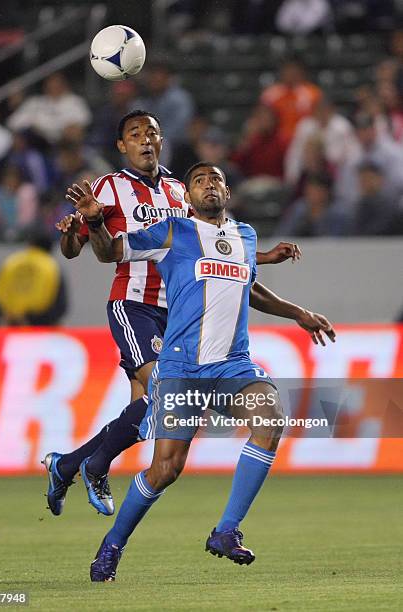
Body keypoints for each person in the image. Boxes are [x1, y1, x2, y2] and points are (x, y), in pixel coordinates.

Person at [67, 162, 335, 581]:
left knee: (270, 420)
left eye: (215, 179)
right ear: (187, 195)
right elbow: (110, 253)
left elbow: (250, 288)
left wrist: (298, 312)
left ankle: (226, 530)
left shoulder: (245, 235)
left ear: (227, 190)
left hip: (233, 364)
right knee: (165, 470)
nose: (208, 185)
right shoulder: (173, 231)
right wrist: (96, 222)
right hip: (182, 366)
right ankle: (111, 545)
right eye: (198, 181)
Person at [44, 110, 302, 519]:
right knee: (166, 390)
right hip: (133, 304)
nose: (145, 139)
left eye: (152, 132)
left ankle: (67, 465)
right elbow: (79, 250)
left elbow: (212, 246)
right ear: (121, 145)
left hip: (179, 313)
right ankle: (92, 466)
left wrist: (265, 258)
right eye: (135, 134)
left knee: (148, 403)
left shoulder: (182, 191)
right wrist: (85, 225)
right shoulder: (108, 187)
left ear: (162, 141)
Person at [0, 233, 67, 326]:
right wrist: (30, 320)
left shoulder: (11, 262)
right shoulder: (52, 268)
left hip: (5, 328)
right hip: (38, 332)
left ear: (30, 244)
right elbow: (60, 308)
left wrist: (2, 316)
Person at [7, 72, 92, 144]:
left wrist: (45, 127)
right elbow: (13, 123)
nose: (53, 87)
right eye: (50, 84)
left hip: (65, 144)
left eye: (57, 84)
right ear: (45, 86)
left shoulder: (75, 101)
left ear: (64, 85)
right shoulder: (35, 102)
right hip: (38, 144)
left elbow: (82, 123)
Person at [260, 56, 322, 143]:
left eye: (294, 70)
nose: (290, 74)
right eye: (288, 70)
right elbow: (262, 119)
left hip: (304, 141)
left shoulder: (312, 93)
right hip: (276, 141)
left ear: (301, 72)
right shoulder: (270, 94)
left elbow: (319, 119)